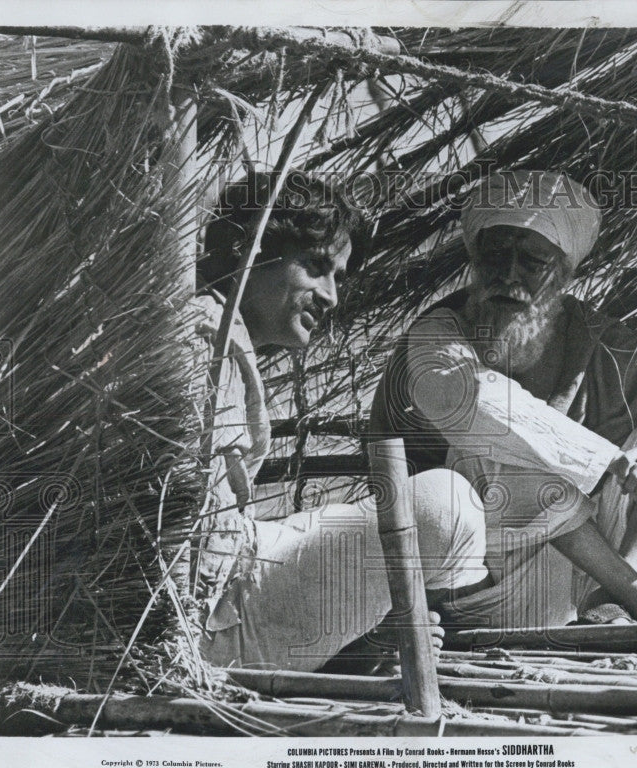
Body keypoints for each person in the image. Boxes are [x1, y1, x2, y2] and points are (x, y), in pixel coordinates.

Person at [370, 169, 637, 634]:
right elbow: (467, 401)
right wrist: (617, 465)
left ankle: (610, 601)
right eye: (495, 256)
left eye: (532, 262)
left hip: (589, 572)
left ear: (563, 274)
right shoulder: (439, 332)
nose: (509, 276)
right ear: (476, 260)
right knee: (488, 452)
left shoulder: (598, 340)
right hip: (480, 582)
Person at [190, 171, 490, 672]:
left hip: (240, 570)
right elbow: (190, 553)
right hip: (218, 623)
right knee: (447, 505)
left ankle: (368, 638)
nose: (331, 296)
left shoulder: (219, 336)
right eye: (315, 267)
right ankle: (360, 651)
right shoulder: (203, 344)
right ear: (247, 249)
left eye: (338, 278)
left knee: (396, 513)